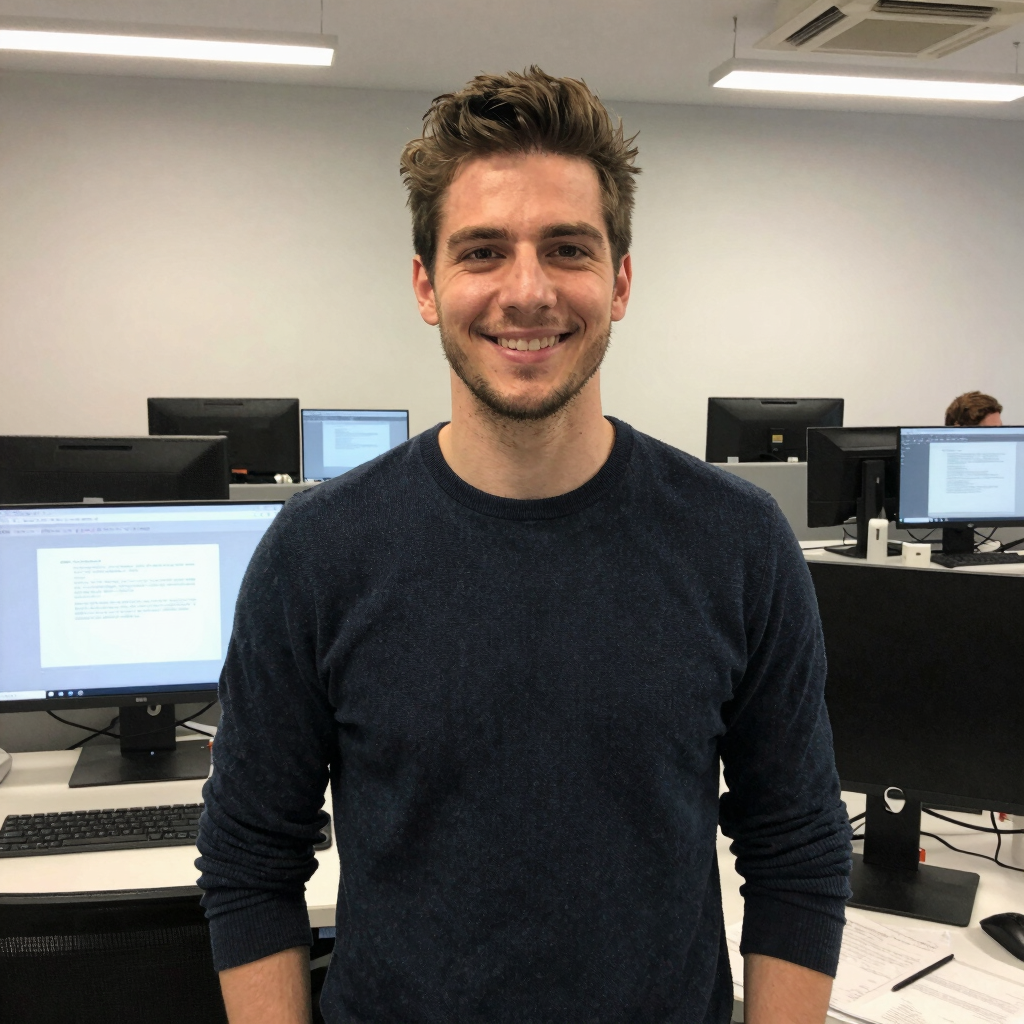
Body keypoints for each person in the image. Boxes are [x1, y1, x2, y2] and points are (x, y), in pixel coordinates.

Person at [197, 67, 851, 1024]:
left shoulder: (739, 541)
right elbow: (251, 861)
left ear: (620, 281)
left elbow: (796, 848)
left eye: (568, 248)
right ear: (427, 285)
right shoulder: (318, 552)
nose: (529, 290)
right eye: (483, 252)